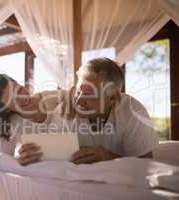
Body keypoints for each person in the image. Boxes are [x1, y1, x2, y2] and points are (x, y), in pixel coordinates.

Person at [17, 57, 158, 165]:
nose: (79, 100)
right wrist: (24, 153)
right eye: (78, 91)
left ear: (113, 98)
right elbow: (45, 147)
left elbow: (146, 165)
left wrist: (108, 157)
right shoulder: (68, 109)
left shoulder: (134, 113)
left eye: (90, 94)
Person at [0, 72, 67, 156]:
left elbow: (76, 95)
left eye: (19, 89)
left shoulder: (51, 98)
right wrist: (20, 161)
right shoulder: (12, 124)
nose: (22, 97)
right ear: (6, 110)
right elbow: (3, 158)